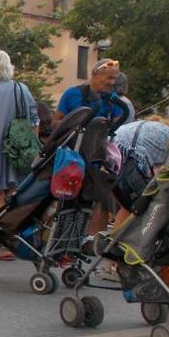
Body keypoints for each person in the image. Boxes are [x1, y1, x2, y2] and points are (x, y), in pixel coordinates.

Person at [54, 58, 125, 238]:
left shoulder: (112, 100)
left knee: (101, 194)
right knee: (70, 197)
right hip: (72, 154)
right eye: (108, 78)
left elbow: (119, 123)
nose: (112, 82)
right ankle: (63, 235)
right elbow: (56, 120)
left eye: (114, 78)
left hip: (96, 155)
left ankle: (93, 240)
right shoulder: (72, 94)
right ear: (95, 74)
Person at [0, 50, 39, 215]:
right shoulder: (22, 88)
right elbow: (34, 121)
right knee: (16, 194)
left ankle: (2, 230)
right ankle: (14, 229)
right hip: (19, 151)